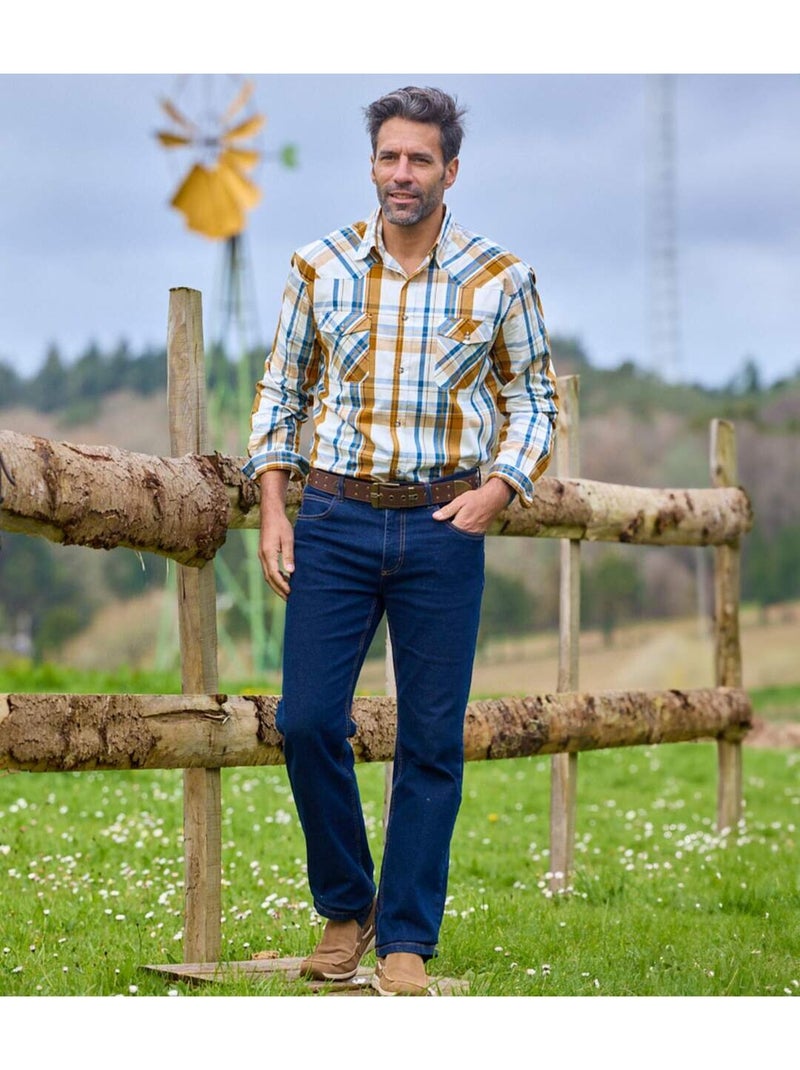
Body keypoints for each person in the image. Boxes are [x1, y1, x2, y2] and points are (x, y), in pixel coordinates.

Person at [244, 85, 558, 996]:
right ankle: (347, 908)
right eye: (390, 157)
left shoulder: (499, 277)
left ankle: (405, 940)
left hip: (443, 525)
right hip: (335, 519)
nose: (402, 174)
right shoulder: (318, 266)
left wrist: (500, 488)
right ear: (373, 163)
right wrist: (273, 505)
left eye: (420, 159)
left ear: (449, 171)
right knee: (306, 721)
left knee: (429, 740)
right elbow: (281, 392)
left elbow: (534, 397)